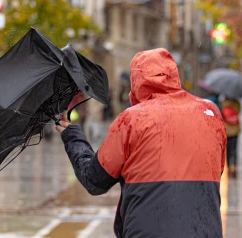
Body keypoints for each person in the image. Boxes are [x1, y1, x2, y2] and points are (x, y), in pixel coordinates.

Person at [56, 48, 226, 237]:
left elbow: (95, 180)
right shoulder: (210, 113)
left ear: (136, 80)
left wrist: (72, 136)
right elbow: (215, 168)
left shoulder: (132, 119)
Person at [221, 97, 241, 177]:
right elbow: (239, 111)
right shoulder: (236, 103)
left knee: (228, 150)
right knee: (234, 149)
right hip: (235, 130)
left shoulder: (223, 103)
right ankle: (235, 167)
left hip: (226, 130)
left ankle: (229, 168)